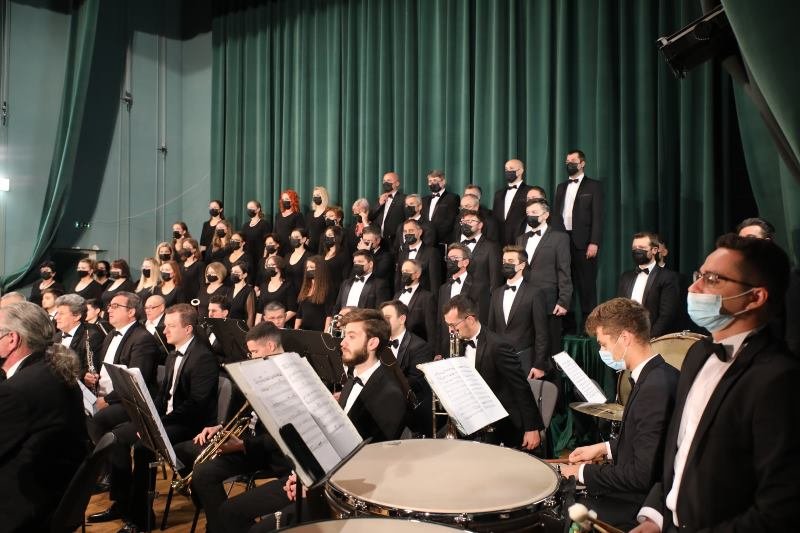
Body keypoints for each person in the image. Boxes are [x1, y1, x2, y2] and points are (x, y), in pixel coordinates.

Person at [633, 234, 800, 533]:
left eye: (712, 279)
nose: (693, 288)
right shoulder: (697, 353)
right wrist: (656, 517)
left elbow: (779, 510)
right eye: (699, 275)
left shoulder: (779, 379)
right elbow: (680, 448)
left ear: (755, 297)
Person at [216, 308, 408, 532]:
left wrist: (315, 484)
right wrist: (301, 475)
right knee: (229, 511)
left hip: (342, 494)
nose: (342, 342)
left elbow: (370, 463)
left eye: (351, 336)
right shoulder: (352, 380)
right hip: (316, 477)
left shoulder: (390, 394)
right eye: (344, 335)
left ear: (372, 343)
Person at [91, 304, 218, 532]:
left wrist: (157, 424)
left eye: (170, 326)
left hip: (188, 424)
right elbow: (162, 396)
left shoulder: (203, 357)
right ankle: (122, 502)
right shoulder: (172, 355)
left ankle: (141, 520)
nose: (164, 331)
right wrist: (148, 417)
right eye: (165, 325)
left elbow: (196, 405)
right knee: (116, 437)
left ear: (188, 328)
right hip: (167, 420)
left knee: (143, 447)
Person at [561, 298, 679, 530]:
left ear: (625, 338)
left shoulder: (655, 388)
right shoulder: (660, 374)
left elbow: (641, 474)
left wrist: (582, 471)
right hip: (638, 491)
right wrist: (603, 448)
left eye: (603, 344)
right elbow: (650, 443)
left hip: (640, 502)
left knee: (566, 511)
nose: (602, 351)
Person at [188, 321, 293, 533]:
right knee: (203, 473)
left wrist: (243, 445)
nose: (251, 357)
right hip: (250, 444)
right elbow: (245, 412)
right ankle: (221, 527)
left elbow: (283, 436)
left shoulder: (291, 377)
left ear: (270, 346)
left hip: (275, 455)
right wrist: (222, 427)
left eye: (254, 352)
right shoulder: (259, 370)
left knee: (231, 507)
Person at [0, 302, 89, 532]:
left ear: (12, 339)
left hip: (25, 506)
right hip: (57, 493)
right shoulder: (52, 367)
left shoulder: (18, 391)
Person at [441, 295, 543, 449]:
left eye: (453, 325)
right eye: (448, 325)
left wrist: (532, 428)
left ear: (470, 320)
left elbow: (521, 387)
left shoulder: (498, 346)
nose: (450, 330)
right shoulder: (455, 343)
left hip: (501, 424)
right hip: (471, 420)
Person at [84, 293, 160, 446]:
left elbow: (134, 382)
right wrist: (92, 377)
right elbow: (104, 369)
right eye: (109, 306)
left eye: (115, 306)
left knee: (96, 421)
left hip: (128, 402)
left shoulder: (142, 339)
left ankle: (105, 459)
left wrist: (106, 401)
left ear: (131, 312)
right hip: (102, 395)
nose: (109, 310)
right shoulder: (110, 335)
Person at [552, 149, 603, 333]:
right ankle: (569, 329)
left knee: (586, 287)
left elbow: (598, 216)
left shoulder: (594, 186)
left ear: (582, 163)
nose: (569, 164)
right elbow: (556, 216)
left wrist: (594, 242)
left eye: (573, 160)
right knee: (566, 285)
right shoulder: (561, 187)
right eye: (567, 161)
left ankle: (589, 330)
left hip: (584, 243)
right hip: (563, 240)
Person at [516, 198, 572, 357]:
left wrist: (563, 300)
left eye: (534, 212)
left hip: (549, 301)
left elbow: (564, 270)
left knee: (551, 347)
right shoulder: (521, 239)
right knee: (527, 346)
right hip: (524, 299)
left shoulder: (559, 238)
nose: (530, 216)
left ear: (546, 215)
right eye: (528, 213)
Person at [487, 246, 550, 379]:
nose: (506, 264)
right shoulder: (496, 293)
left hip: (524, 359)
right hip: (499, 360)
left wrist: (539, 365)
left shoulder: (535, 293)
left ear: (522, 265)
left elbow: (541, 333)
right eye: (504, 261)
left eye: (510, 261)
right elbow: (491, 329)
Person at [380, 300, 434, 437]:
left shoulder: (420, 347)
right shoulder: (378, 343)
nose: (382, 323)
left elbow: (414, 383)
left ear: (402, 319)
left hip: (409, 415)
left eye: (387, 318)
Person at [617, 232, 681, 338]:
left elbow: (667, 315)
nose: (637, 250)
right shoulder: (625, 277)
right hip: (627, 336)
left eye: (641, 247)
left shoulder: (668, 277)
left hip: (653, 338)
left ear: (654, 250)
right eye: (634, 248)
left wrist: (649, 338)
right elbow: (620, 309)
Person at [53, 293, 105, 379]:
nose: (56, 317)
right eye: (57, 313)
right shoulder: (56, 337)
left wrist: (86, 376)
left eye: (61, 314)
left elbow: (91, 369)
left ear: (77, 316)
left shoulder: (91, 336)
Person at [395, 219, 443, 295]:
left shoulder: (431, 252)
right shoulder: (402, 253)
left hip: (424, 297)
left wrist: (433, 299)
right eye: (405, 231)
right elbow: (398, 279)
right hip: (404, 295)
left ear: (420, 232)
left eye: (411, 231)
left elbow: (435, 282)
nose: (407, 234)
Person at [394, 259, 437, 342]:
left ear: (417, 274)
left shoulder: (427, 297)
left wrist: (431, 348)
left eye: (407, 271)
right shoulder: (397, 295)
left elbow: (431, 328)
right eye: (403, 271)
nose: (404, 274)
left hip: (417, 343)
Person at [458, 208, 502, 289]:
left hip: (481, 295)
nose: (466, 224)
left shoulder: (492, 247)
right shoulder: (456, 245)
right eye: (464, 221)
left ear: (480, 225)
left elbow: (495, 278)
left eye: (471, 221)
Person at [492, 159, 532, 245]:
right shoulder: (498, 194)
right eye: (506, 169)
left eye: (511, 168)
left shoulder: (530, 191)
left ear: (520, 171)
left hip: (521, 238)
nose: (508, 171)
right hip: (500, 240)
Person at [295, 256, 336, 332]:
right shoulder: (305, 287)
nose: (309, 270)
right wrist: (296, 330)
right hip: (303, 330)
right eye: (307, 268)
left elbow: (329, 314)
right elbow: (299, 313)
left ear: (320, 269)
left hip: (318, 331)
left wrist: (325, 333)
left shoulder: (327, 288)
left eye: (312, 267)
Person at [421, 169, 460, 246]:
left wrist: (435, 235)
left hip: (443, 240)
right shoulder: (424, 200)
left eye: (435, 180)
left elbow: (451, 220)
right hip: (426, 240)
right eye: (430, 181)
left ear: (443, 182)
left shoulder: (452, 198)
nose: (432, 183)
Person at [368, 171, 406, 250]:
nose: (385, 183)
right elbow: (370, 217)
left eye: (388, 180)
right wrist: (379, 204)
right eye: (384, 181)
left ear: (397, 183)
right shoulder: (379, 199)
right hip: (378, 241)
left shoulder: (403, 199)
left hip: (394, 241)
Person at [255, 255, 297, 326]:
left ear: (279, 266)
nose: (270, 267)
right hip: (265, 326)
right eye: (268, 265)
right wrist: (257, 327)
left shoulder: (288, 285)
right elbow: (259, 311)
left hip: (281, 326)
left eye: (272, 265)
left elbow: (292, 310)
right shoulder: (264, 285)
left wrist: (277, 322)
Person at [240, 200, 272, 268]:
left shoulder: (264, 224)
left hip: (259, 257)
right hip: (247, 258)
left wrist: (264, 258)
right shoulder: (245, 226)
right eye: (248, 208)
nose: (249, 210)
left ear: (258, 209)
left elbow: (267, 242)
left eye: (251, 207)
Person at [274, 189, 305, 255]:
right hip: (279, 248)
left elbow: (300, 232)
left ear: (293, 200)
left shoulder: (298, 215)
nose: (285, 201)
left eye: (287, 199)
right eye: (283, 199)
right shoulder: (278, 215)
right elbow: (275, 231)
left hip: (291, 248)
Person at [143, 294, 171, 362]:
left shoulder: (168, 324)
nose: (147, 311)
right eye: (146, 308)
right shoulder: (141, 323)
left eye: (151, 307)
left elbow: (168, 349)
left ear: (162, 308)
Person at [228, 262, 256, 328]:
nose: (233, 274)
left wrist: (248, 332)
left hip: (241, 327)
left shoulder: (249, 291)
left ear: (244, 275)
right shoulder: (230, 290)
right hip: (229, 326)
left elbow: (251, 315)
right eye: (232, 272)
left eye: (236, 272)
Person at [305, 186, 331, 252]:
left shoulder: (328, 213)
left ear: (323, 197)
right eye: (314, 196)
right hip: (310, 247)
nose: (315, 197)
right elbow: (306, 230)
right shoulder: (309, 214)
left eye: (318, 195)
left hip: (323, 247)